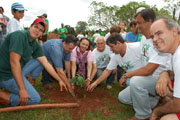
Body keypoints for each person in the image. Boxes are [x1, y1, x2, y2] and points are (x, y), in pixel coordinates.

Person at [0, 18, 74, 107]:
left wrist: (59, 80)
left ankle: (24, 86)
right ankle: (3, 96)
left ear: (42, 34)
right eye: (36, 27)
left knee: (41, 62)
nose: (37, 31)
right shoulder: (19, 36)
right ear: (30, 26)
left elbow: (46, 63)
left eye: (41, 30)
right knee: (34, 99)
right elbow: (14, 62)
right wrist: (22, 89)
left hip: (13, 73)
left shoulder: (35, 45)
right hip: (5, 75)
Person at [118, 9, 171, 120]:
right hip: (147, 79)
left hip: (160, 79)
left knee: (135, 81)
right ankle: (153, 100)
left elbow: (149, 70)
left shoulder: (159, 40)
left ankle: (143, 115)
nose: (137, 26)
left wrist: (126, 75)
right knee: (122, 97)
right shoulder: (143, 38)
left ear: (149, 22)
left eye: (139, 23)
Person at [150, 18, 180, 120]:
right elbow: (173, 72)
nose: (154, 39)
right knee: (164, 89)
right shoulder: (173, 52)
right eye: (153, 36)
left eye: (159, 33)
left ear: (174, 31)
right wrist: (165, 73)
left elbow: (179, 104)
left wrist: (157, 112)